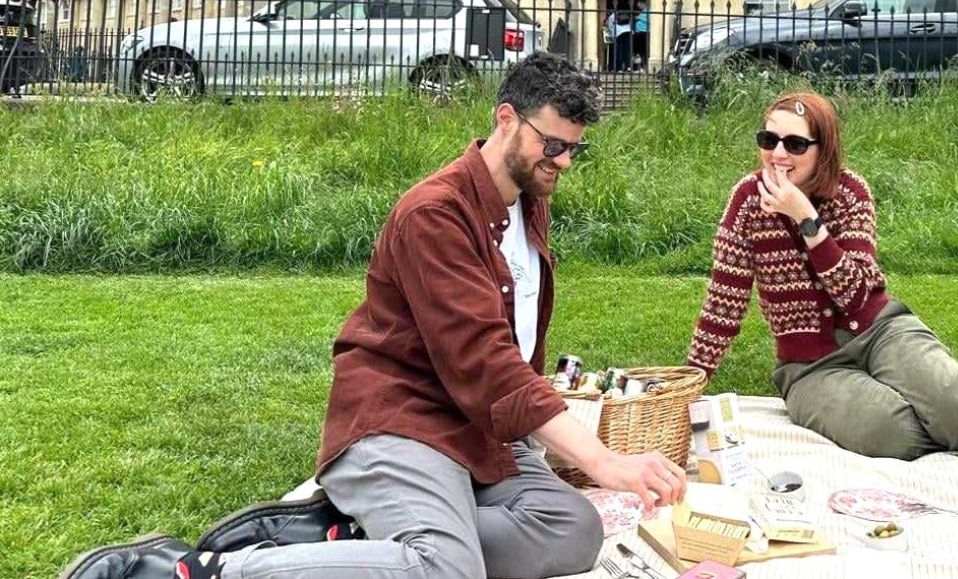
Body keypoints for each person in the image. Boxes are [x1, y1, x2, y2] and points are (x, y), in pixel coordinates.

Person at [62, 51, 688, 579]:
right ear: (505, 120)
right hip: (403, 417)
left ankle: (349, 541)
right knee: (446, 570)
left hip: (478, 427)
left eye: (575, 148)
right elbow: (485, 360)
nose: (565, 162)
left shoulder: (527, 202)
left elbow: (509, 353)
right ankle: (200, 569)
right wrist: (604, 459)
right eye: (553, 144)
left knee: (574, 532)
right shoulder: (435, 213)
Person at [686, 90, 958, 461]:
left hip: (880, 331)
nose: (778, 154)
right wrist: (691, 380)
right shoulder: (745, 201)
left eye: (795, 143)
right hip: (810, 368)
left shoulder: (851, 193)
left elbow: (854, 295)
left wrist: (807, 220)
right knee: (892, 434)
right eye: (768, 140)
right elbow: (725, 300)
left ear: (823, 149)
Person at [631, 1, 649, 71]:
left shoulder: (648, 11)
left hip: (644, 32)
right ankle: (639, 67)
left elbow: (650, 20)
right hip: (638, 33)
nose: (639, 7)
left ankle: (643, 67)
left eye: (639, 5)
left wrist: (639, 18)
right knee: (638, 51)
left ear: (643, 3)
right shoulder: (642, 12)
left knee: (643, 51)